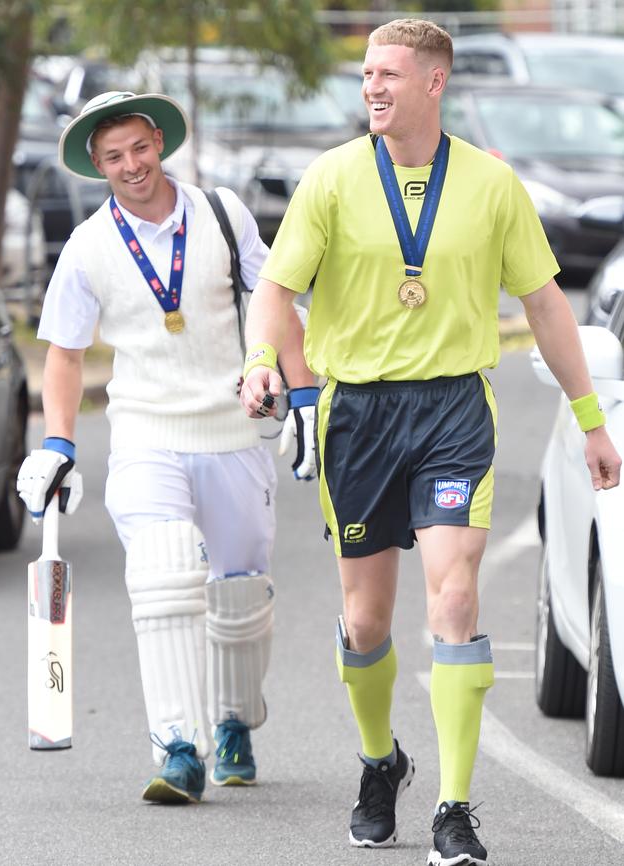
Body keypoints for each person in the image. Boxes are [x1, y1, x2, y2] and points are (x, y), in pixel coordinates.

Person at [240, 18, 621, 866]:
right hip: (358, 415)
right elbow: (276, 292)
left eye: (389, 75)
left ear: (435, 83)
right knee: (366, 620)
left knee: (453, 600)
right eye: (367, 73)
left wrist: (592, 419)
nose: (372, 87)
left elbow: (548, 305)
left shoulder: (490, 184)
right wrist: (265, 361)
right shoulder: (333, 179)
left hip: (453, 409)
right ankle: (382, 763)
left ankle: (454, 805)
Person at [16, 90, 318, 804]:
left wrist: (303, 400)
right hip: (145, 432)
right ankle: (178, 746)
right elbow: (63, 353)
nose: (131, 166)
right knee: (163, 571)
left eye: (140, 149)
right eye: (114, 157)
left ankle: (236, 721)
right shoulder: (88, 247)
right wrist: (57, 443)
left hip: (232, 428)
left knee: (238, 593)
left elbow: (275, 305)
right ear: (97, 165)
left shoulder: (222, 213)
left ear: (160, 141)